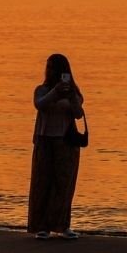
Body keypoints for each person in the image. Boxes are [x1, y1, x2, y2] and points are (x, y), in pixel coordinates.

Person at [28, 53, 86, 240]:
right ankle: (42, 226)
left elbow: (78, 114)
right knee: (42, 182)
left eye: (53, 67)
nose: (49, 70)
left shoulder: (73, 92)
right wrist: (56, 91)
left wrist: (71, 95)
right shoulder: (42, 90)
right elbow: (40, 105)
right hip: (44, 139)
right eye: (48, 67)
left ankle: (63, 224)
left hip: (66, 141)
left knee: (64, 184)